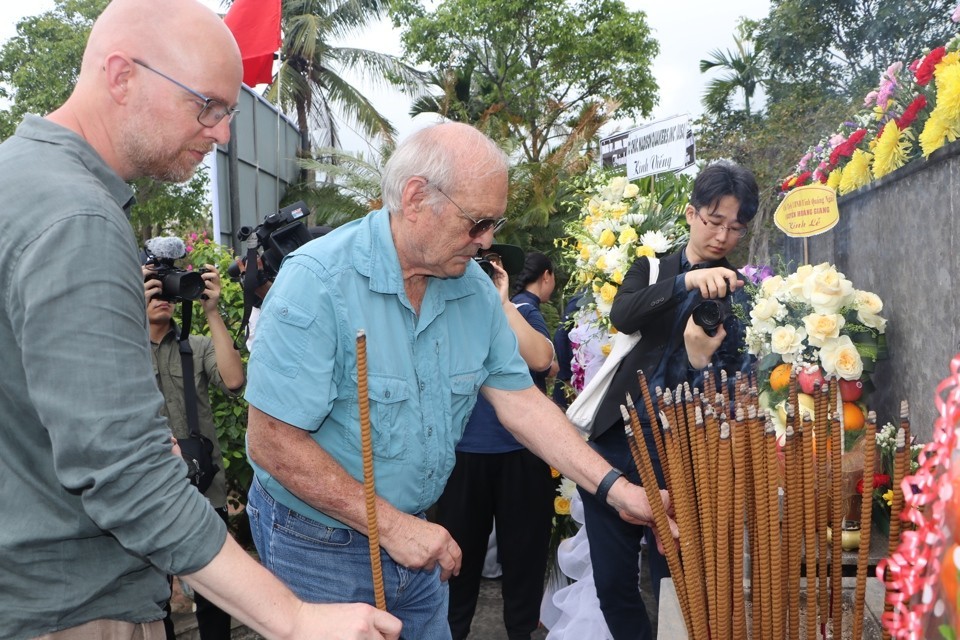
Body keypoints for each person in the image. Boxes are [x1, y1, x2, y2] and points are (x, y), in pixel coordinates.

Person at [0, 0, 400, 638]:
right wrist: (292, 617)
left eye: (230, 113)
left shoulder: (18, 180)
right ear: (122, 75)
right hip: (67, 604)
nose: (221, 133)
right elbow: (124, 473)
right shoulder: (75, 218)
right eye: (207, 106)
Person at [243, 121, 677, 639]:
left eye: (495, 222)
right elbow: (271, 442)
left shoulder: (471, 290)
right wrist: (394, 527)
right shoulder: (317, 280)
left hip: (418, 539)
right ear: (415, 197)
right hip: (319, 545)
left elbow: (522, 404)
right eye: (477, 222)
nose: (487, 240)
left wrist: (615, 488)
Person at [579, 160, 759, 640]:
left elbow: (738, 380)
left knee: (677, 580)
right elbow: (623, 313)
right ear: (690, 214)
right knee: (613, 583)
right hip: (615, 445)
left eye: (735, 227)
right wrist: (685, 282)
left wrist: (701, 364)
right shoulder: (654, 267)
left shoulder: (741, 293)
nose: (722, 236)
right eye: (713, 221)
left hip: (685, 456)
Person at [434, 251, 557, 640]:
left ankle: (521, 632)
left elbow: (542, 360)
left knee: (523, 559)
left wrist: (501, 303)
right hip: (461, 456)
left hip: (520, 455)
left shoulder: (519, 311)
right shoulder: (442, 309)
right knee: (455, 563)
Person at [142, 260, 244, 640]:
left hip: (203, 489)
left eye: (168, 285)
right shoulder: (124, 351)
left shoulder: (197, 347)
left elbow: (234, 380)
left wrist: (211, 310)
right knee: (153, 598)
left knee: (215, 595)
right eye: (154, 284)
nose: (163, 295)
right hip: (148, 493)